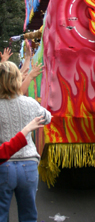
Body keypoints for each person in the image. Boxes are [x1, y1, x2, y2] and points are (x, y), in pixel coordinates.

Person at [0, 61, 52, 222]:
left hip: (3, 165)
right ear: (17, 79)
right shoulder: (29, 103)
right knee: (28, 214)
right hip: (28, 164)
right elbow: (48, 118)